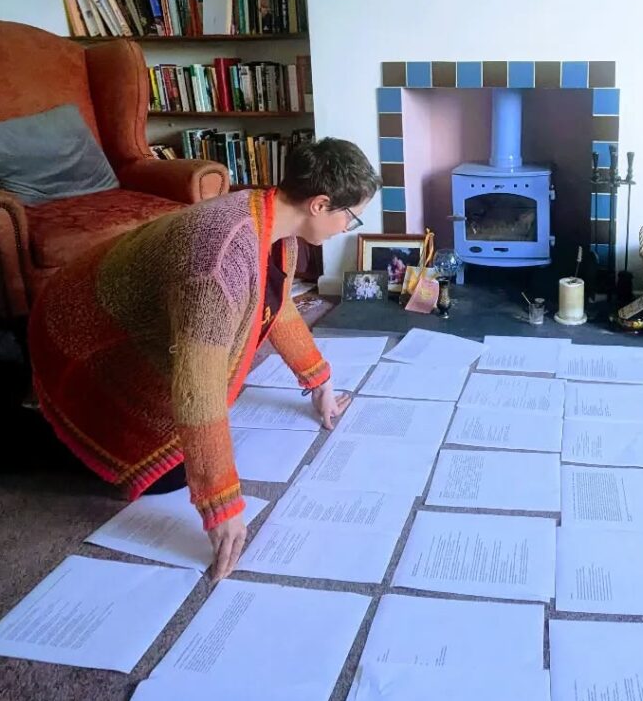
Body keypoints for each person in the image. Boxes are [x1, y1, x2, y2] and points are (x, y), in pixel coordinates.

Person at [28, 137, 381, 581]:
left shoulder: (276, 228)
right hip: (78, 334)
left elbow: (275, 306)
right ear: (320, 204)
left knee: (183, 459)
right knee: (162, 473)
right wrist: (221, 503)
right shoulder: (220, 263)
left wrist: (318, 380)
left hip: (114, 306)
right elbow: (199, 389)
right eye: (350, 216)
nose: (349, 226)